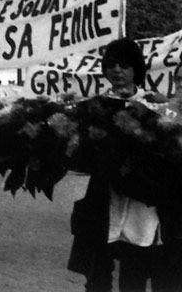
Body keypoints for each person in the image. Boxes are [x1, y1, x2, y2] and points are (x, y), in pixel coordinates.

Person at [67, 38, 182, 292]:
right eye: (111, 65)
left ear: (136, 70)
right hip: (104, 199)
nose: (117, 70)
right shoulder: (93, 106)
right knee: (98, 274)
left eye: (124, 65)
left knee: (135, 271)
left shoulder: (154, 106)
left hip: (142, 203)